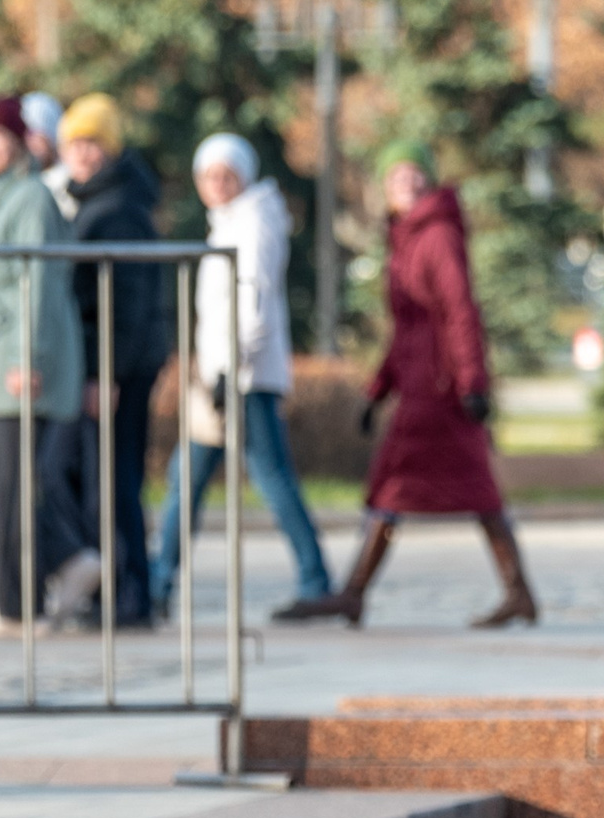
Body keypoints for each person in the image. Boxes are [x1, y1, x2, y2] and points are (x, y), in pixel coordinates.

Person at [289, 142, 534, 627]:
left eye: (413, 173)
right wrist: (377, 388)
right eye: (395, 175)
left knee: (418, 489)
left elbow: (459, 311)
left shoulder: (437, 235)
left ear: (427, 178)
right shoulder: (406, 236)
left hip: (440, 392)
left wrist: (472, 383)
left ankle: (357, 592)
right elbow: (407, 328)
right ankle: (516, 593)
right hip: (421, 385)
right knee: (421, 489)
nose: (405, 182)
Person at [151, 133, 332, 618]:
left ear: (243, 176)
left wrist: (232, 369)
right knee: (186, 482)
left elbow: (253, 299)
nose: (217, 184)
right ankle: (157, 582)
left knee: (270, 479)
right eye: (208, 176)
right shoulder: (227, 222)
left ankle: (316, 582)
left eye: (225, 175)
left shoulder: (253, 221)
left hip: (244, 379)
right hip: (222, 377)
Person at [0, 95, 98, 638]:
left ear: (18, 141)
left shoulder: (31, 198)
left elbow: (36, 280)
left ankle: (19, 607)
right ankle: (62, 560)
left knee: (8, 479)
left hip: (19, 354)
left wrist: (28, 357)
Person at [57, 93, 171, 627]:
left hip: (117, 366)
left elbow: (125, 301)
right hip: (110, 363)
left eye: (91, 143)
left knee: (116, 478)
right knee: (107, 475)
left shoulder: (118, 206)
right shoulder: (98, 199)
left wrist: (106, 372)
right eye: (74, 143)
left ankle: (129, 597)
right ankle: (119, 592)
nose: (81, 154)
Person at [19, 92, 73, 221]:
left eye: (35, 135)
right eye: (25, 135)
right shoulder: (19, 181)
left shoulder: (70, 186)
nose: (29, 143)